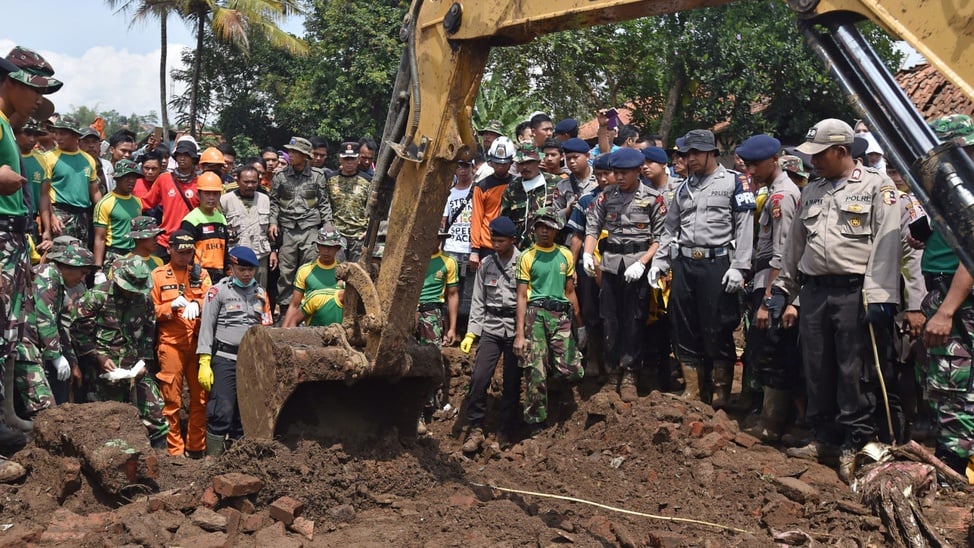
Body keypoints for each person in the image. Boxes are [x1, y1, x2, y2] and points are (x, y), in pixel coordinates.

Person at [771, 119, 901, 482]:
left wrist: (880, 296)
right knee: (817, 365)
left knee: (852, 369)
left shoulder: (877, 186)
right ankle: (823, 435)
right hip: (814, 291)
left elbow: (887, 245)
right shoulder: (812, 190)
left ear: (841, 151)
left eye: (820, 155)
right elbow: (796, 245)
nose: (813, 162)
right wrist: (785, 289)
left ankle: (855, 439)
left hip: (853, 290)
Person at [650, 129, 755, 408]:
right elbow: (670, 227)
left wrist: (740, 267)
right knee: (683, 325)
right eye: (686, 153)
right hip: (685, 263)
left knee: (717, 326)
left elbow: (745, 227)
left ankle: (720, 391)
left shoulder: (734, 182)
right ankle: (694, 390)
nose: (690, 158)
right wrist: (660, 261)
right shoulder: (683, 187)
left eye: (695, 152)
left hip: (717, 263)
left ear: (711, 152)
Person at [0, 46, 62, 480]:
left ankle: (5, 418)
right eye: (33, 91)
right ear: (10, 83)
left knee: (9, 333)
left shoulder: (8, 123)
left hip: (13, 237)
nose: (38, 101)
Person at [583, 148, 665, 401]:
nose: (618, 177)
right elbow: (593, 227)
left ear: (638, 171)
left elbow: (661, 238)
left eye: (623, 173)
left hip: (637, 266)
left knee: (634, 320)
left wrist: (642, 263)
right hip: (610, 266)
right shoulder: (606, 197)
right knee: (610, 319)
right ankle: (611, 371)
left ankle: (630, 372)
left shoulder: (653, 199)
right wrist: (588, 254)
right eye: (615, 172)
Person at [735, 134, 801, 439]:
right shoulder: (774, 192)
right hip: (765, 278)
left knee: (774, 350)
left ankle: (773, 423)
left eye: (756, 164)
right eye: (747, 165)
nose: (750, 171)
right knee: (766, 350)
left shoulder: (781, 197)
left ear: (775, 160)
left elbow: (782, 252)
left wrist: (768, 299)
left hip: (774, 283)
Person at [73, 256, 169, 448]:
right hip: (103, 372)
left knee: (156, 414)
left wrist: (142, 363)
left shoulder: (144, 301)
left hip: (134, 368)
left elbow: (148, 335)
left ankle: (161, 464)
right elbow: (79, 334)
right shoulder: (96, 297)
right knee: (108, 422)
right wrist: (97, 357)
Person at [196, 246, 273, 456]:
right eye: (242, 269)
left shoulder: (260, 293)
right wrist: (204, 359)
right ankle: (212, 460)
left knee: (245, 413)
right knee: (222, 410)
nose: (247, 274)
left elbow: (266, 327)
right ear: (232, 267)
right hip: (225, 359)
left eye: (251, 270)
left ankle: (240, 458)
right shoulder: (218, 291)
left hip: (251, 361)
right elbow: (206, 327)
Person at [514, 208, 583, 435]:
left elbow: (570, 291)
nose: (544, 231)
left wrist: (579, 324)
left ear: (556, 230)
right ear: (534, 229)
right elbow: (522, 296)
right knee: (535, 369)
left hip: (561, 314)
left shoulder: (564, 255)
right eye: (540, 226)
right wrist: (520, 334)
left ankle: (557, 384)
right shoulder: (527, 256)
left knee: (572, 369)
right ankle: (535, 420)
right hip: (536, 313)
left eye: (549, 227)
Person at [460, 216, 522, 451]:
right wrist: (471, 333)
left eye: (501, 241)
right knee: (479, 378)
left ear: (512, 240)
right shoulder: (486, 265)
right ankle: (475, 427)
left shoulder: (523, 262)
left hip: (515, 328)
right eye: (493, 240)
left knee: (512, 382)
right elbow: (478, 300)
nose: (496, 244)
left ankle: (506, 430)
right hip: (491, 326)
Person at [151, 230, 212, 457]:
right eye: (180, 252)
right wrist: (169, 308)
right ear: (169, 249)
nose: (185, 257)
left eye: (189, 252)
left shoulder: (201, 274)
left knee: (200, 398)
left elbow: (210, 300)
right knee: (171, 400)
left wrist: (198, 304)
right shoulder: (157, 275)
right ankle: (174, 451)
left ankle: (196, 448)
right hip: (171, 343)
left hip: (197, 343)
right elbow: (151, 311)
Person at [268, 136, 332, 317]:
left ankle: (306, 311)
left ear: (304, 156)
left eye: (295, 152)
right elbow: (274, 203)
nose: (291, 155)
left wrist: (328, 225)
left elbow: (323, 203)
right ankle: (285, 312)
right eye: (290, 151)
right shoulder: (280, 177)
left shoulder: (317, 176)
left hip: (310, 228)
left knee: (309, 270)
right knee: (286, 272)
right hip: (288, 230)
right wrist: (273, 222)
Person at [32, 236, 92, 404]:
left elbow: (57, 325)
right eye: (82, 273)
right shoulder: (47, 277)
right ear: (69, 266)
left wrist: (71, 360)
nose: (82, 279)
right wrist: (55, 356)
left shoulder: (57, 282)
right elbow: (44, 319)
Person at [415, 229, 460, 435]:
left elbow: (452, 294)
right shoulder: (414, 258)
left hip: (432, 312)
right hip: (410, 311)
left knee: (431, 359)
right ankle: (413, 410)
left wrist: (452, 327)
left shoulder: (448, 262)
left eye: (438, 237)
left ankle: (427, 406)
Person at [142, 138, 200, 261]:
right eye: (179, 155)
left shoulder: (200, 183)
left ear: (194, 159)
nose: (182, 158)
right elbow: (145, 203)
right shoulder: (164, 179)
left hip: (190, 242)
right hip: (165, 241)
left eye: (187, 155)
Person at [47, 115, 102, 245]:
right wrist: (52, 217)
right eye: (56, 133)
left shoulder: (88, 160)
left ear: (75, 135)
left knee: (81, 256)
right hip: (60, 214)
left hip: (82, 215)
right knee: (59, 255)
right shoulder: (48, 158)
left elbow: (94, 192)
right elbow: (44, 193)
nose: (58, 137)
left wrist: (103, 212)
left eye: (63, 133)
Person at [221, 164, 274, 290]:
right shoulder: (225, 200)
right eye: (246, 182)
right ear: (237, 181)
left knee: (260, 292)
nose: (250, 185)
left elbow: (271, 229)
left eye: (253, 182)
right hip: (236, 256)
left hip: (260, 256)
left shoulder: (265, 199)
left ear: (259, 182)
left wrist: (273, 251)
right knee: (234, 293)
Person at [281, 225, 345, 328]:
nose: (326, 251)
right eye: (323, 246)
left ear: (337, 248)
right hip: (311, 327)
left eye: (330, 247)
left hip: (339, 327)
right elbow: (294, 305)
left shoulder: (344, 272)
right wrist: (283, 332)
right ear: (317, 246)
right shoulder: (305, 270)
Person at [500, 143, 560, 248]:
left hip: (552, 249)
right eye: (520, 163)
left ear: (539, 162)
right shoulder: (512, 188)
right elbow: (505, 221)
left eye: (529, 162)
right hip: (522, 250)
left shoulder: (555, 183)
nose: (524, 167)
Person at [469, 137, 515, 271]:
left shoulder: (517, 184)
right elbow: (477, 218)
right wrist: (475, 250)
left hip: (510, 244)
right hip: (487, 245)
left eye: (504, 164)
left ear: (511, 162)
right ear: (491, 163)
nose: (500, 167)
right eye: (497, 163)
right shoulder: (481, 187)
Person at [92, 159, 144, 275]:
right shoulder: (105, 203)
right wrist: (98, 269)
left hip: (133, 255)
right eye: (127, 177)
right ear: (117, 178)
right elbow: (99, 238)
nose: (131, 181)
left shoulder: (138, 202)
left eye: (134, 177)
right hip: (114, 255)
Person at [442, 158, 476, 332]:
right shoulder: (449, 193)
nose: (462, 171)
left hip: (470, 249)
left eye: (466, 166)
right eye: (459, 166)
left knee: (470, 296)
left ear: (473, 168)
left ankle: (467, 332)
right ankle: (450, 331)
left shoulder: (477, 191)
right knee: (450, 291)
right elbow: (443, 221)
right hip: (451, 248)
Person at [180, 172, 229, 282]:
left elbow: (225, 250)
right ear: (198, 194)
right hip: (199, 275)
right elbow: (185, 253)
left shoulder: (221, 218)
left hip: (220, 275)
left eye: (215, 194)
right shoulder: (191, 220)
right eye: (207, 193)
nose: (211, 198)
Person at [326, 142, 370, 260]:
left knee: (356, 274)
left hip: (359, 236)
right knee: (337, 271)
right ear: (340, 159)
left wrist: (369, 230)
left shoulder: (367, 181)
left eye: (352, 158)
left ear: (358, 159)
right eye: (346, 159)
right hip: (337, 236)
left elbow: (373, 208)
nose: (349, 162)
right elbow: (325, 205)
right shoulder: (330, 180)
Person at [554, 138, 596, 225]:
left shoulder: (599, 178)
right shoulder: (562, 186)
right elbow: (554, 216)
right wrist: (569, 210)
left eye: (576, 157)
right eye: (568, 159)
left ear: (587, 156)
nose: (572, 161)